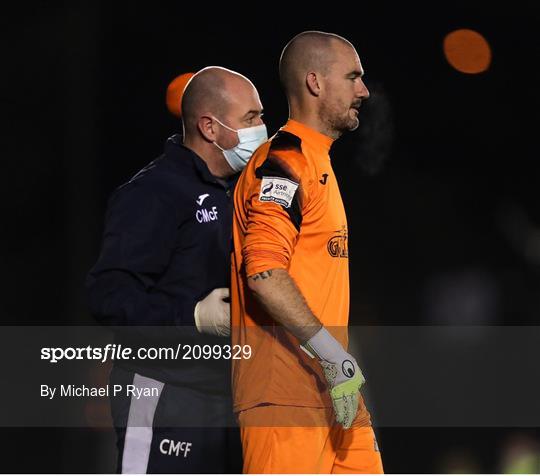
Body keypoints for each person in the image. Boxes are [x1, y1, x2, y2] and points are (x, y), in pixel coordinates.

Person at [86, 66, 266, 473]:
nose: (262, 128)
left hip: (227, 399)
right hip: (162, 395)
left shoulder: (241, 191)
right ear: (210, 126)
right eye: (251, 118)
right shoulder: (152, 193)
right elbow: (108, 295)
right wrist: (193, 317)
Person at [230, 31, 383, 473]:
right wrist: (333, 355)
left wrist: (339, 366)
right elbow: (263, 272)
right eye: (353, 77)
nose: (364, 91)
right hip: (285, 397)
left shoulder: (318, 162)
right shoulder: (283, 163)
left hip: (336, 390)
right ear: (315, 83)